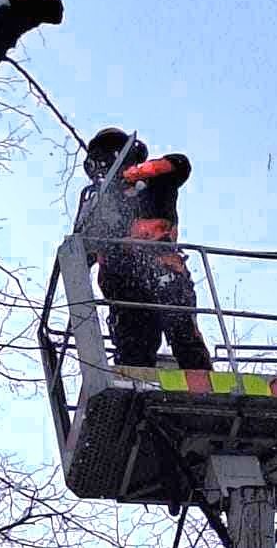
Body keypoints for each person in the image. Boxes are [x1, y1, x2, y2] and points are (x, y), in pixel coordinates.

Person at [74, 127, 213, 370]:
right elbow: (82, 255)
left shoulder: (154, 183)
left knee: (183, 333)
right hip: (122, 283)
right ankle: (136, 380)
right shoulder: (99, 205)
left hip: (161, 269)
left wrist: (137, 173)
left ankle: (202, 379)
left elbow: (180, 164)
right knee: (134, 344)